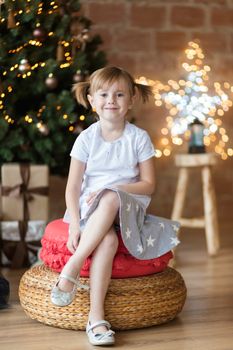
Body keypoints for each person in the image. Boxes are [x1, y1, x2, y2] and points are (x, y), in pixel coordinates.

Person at [50, 66, 180, 346]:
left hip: (128, 208)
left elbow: (148, 185)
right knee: (106, 242)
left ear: (131, 100)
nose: (112, 100)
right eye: (105, 94)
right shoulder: (86, 138)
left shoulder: (138, 138)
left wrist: (115, 189)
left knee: (110, 196)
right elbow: (73, 187)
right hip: (89, 211)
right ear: (93, 100)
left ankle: (71, 268)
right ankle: (96, 320)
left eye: (120, 94)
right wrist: (74, 223)